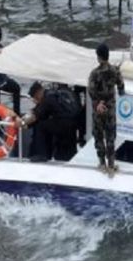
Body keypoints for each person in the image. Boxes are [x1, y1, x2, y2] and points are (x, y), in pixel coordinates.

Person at [88, 43, 125, 176]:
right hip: (110, 109)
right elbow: (121, 89)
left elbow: (91, 91)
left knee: (98, 136)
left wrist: (98, 103)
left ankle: (102, 164)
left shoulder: (94, 73)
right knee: (110, 137)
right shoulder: (116, 71)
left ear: (98, 57)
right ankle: (111, 165)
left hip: (99, 109)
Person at [22, 82, 79, 162]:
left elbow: (36, 116)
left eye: (36, 97)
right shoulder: (59, 94)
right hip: (74, 124)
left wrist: (23, 123)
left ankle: (41, 155)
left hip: (63, 124)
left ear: (39, 92)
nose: (36, 100)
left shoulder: (48, 97)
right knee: (49, 125)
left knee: (41, 126)